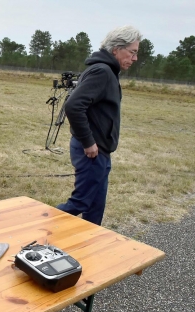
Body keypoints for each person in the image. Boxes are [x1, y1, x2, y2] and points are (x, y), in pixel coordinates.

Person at [56, 25, 142, 225]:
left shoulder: (107, 71)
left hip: (101, 153)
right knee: (78, 203)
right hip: (91, 153)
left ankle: (89, 249)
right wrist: (88, 142)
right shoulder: (102, 72)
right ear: (116, 49)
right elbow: (74, 106)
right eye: (133, 52)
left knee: (95, 208)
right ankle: (38, 228)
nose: (135, 58)